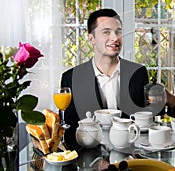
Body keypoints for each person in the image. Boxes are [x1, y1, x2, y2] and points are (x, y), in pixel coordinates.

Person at [60, 9, 150, 150]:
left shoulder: (138, 73)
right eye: (106, 32)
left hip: (131, 156)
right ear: (91, 39)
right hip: (88, 158)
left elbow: (144, 122)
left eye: (118, 32)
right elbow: (69, 130)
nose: (115, 38)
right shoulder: (70, 78)